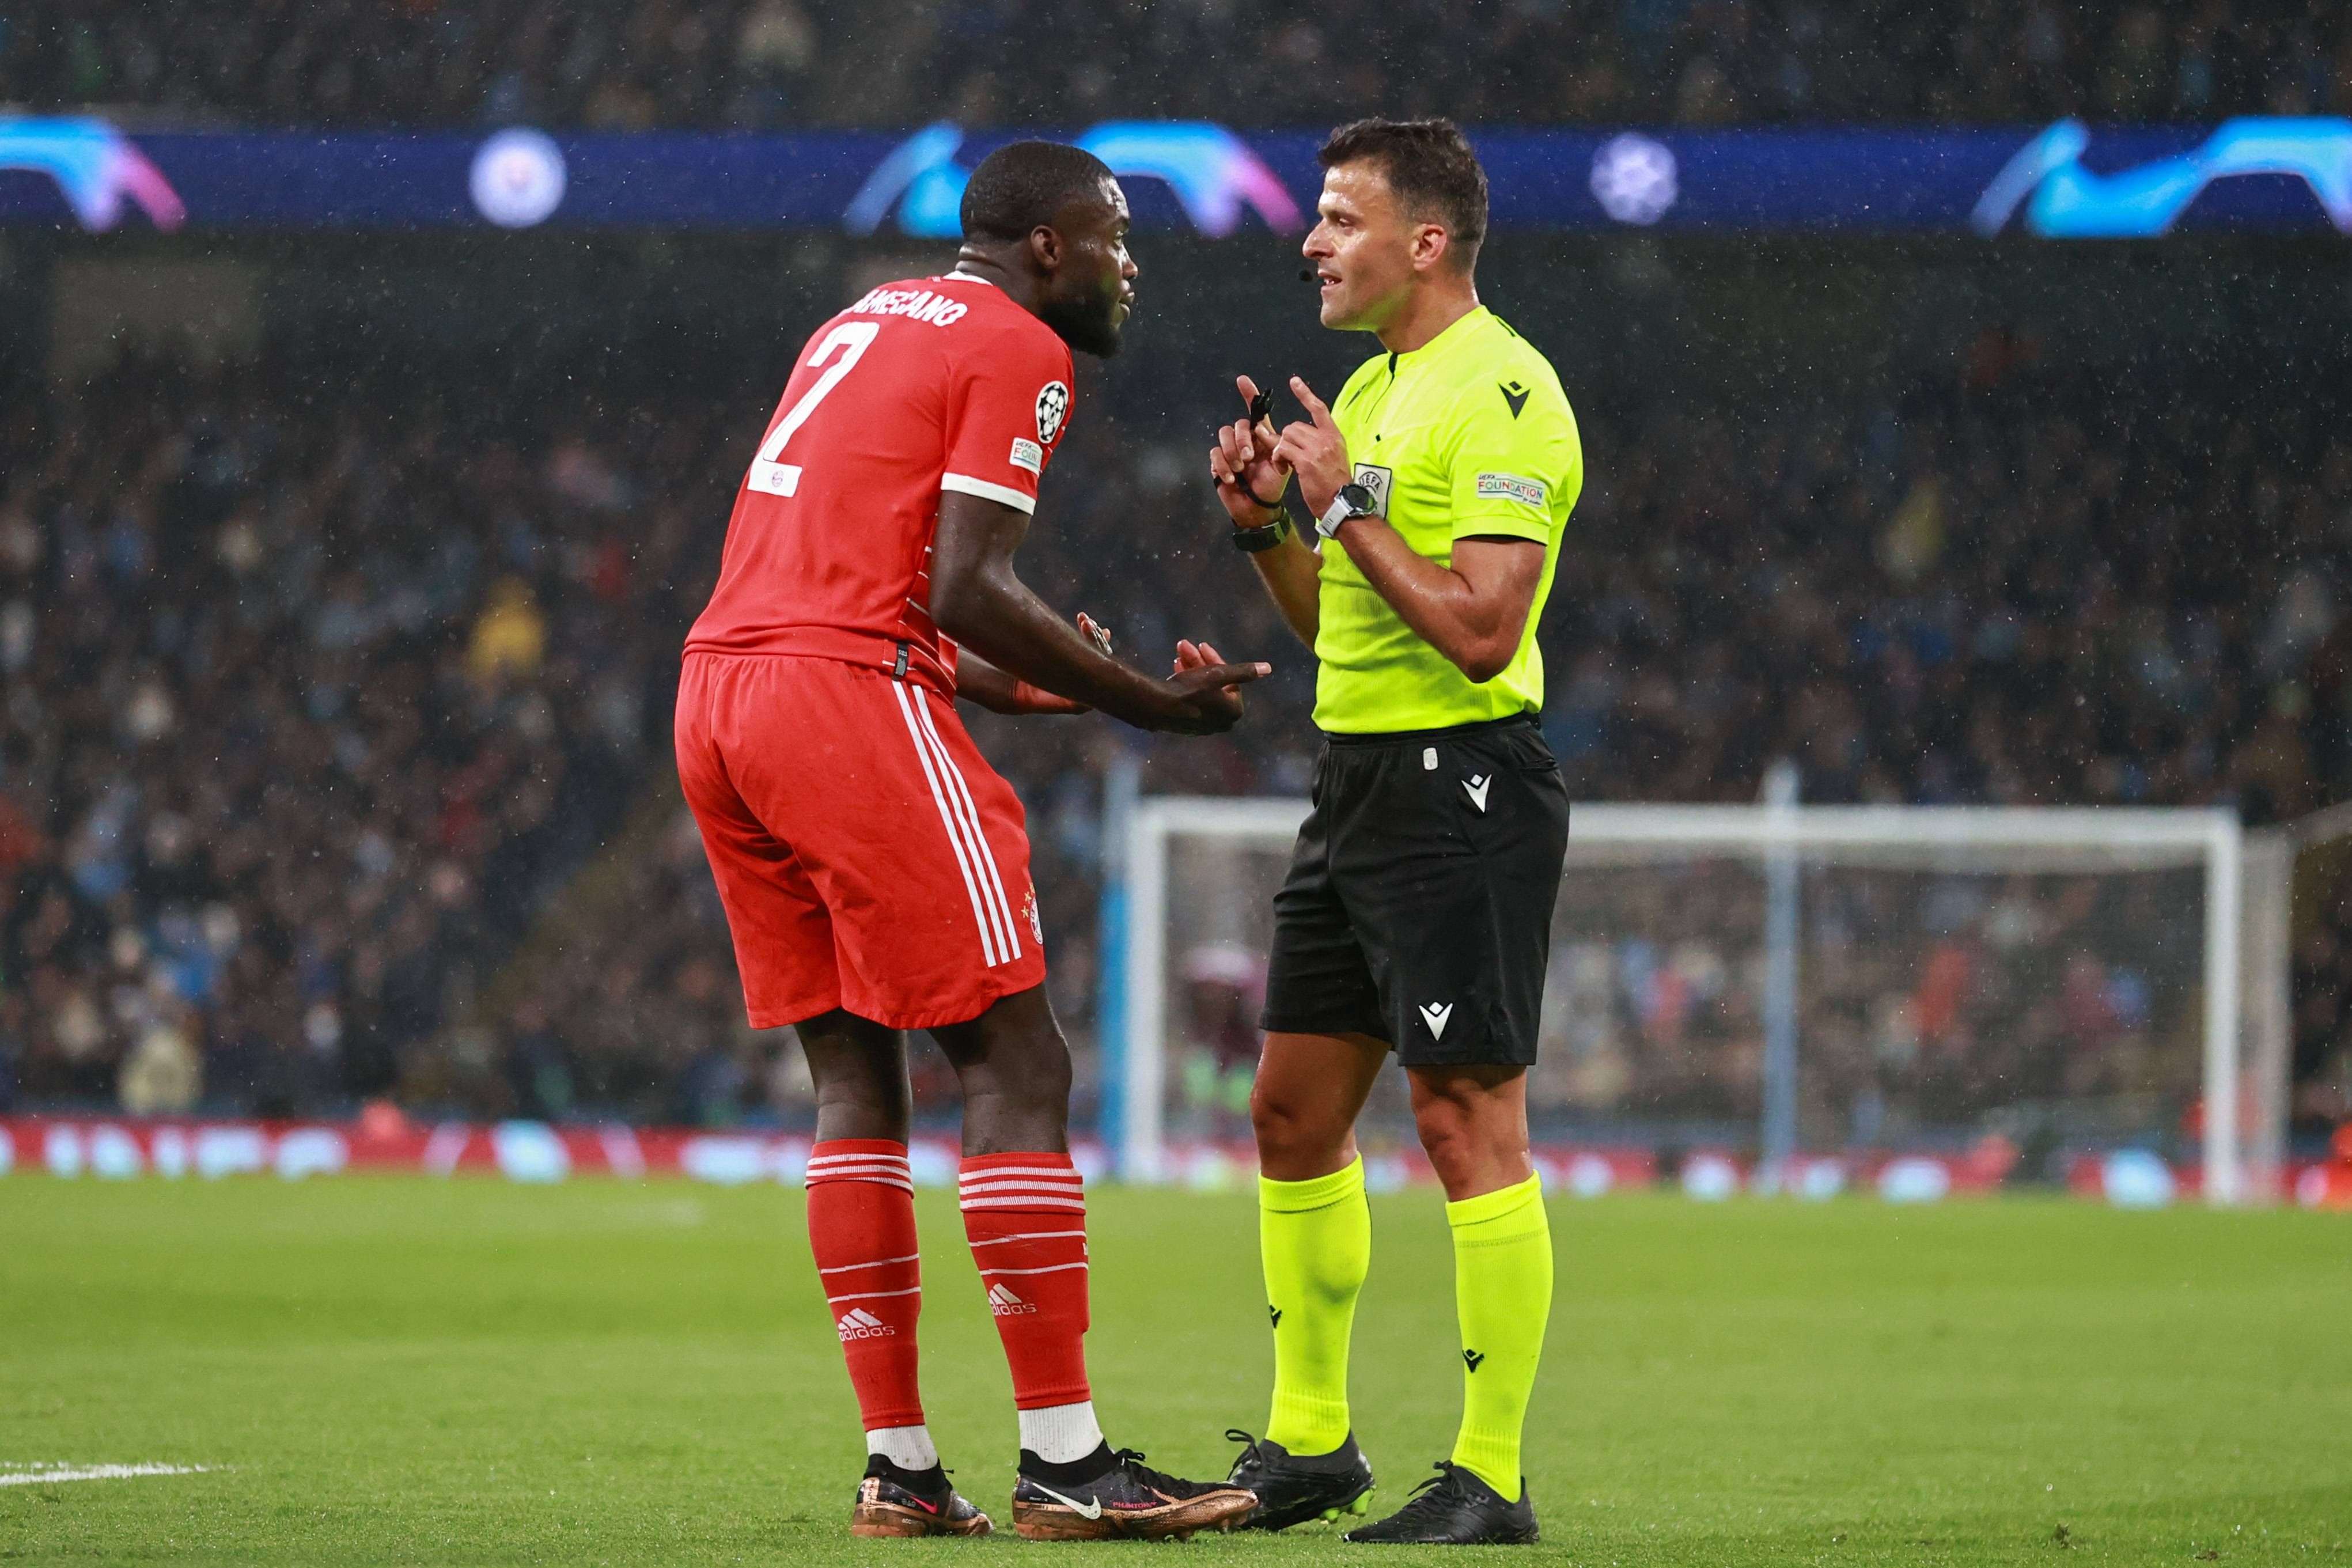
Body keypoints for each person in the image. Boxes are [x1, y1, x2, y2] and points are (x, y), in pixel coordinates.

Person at [676, 139, 1267, 1542]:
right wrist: (1152, 706)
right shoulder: (1017, 345)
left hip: (718, 694)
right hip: (839, 698)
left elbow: (873, 572)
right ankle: (1066, 1462)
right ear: (1045, 246)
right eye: (1114, 233)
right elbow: (961, 583)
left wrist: (1030, 680)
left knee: (850, 1072)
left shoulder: (862, 316)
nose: (1129, 260)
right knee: (1014, 1056)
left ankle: (899, 1464)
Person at [1205, 118, 1581, 1546]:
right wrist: (1266, 527)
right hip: (1357, 777)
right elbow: (1338, 621)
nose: (1310, 240)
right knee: (1289, 1112)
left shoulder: (1505, 391)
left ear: (1424, 241)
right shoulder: (1368, 388)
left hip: (1462, 782)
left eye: (1337, 218)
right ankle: (1311, 1443)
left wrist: (1341, 500)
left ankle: (1490, 1474)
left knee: (1461, 1116)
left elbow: (1484, 630)